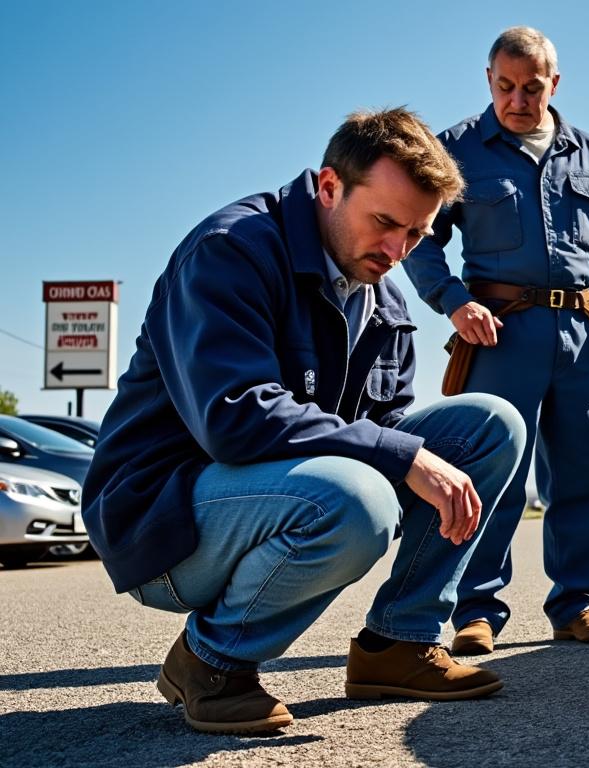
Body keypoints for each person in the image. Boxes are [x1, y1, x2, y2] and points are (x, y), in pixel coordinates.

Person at [83, 108, 527, 735]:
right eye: (385, 223)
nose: (398, 251)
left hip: (276, 497)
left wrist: (409, 459)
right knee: (358, 496)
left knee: (491, 425)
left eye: (418, 236)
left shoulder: (385, 296)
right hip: (165, 518)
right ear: (328, 187)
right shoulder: (230, 251)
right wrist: (403, 461)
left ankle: (399, 643)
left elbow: (385, 426)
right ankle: (210, 663)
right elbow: (234, 418)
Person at [404, 26, 589, 655]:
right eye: (505, 86)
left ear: (553, 84)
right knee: (495, 477)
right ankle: (477, 612)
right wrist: (455, 303)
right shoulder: (455, 149)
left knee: (585, 475)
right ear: (489, 81)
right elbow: (421, 238)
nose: (517, 100)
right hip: (501, 333)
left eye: (530, 88)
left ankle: (577, 605)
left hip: (581, 337)